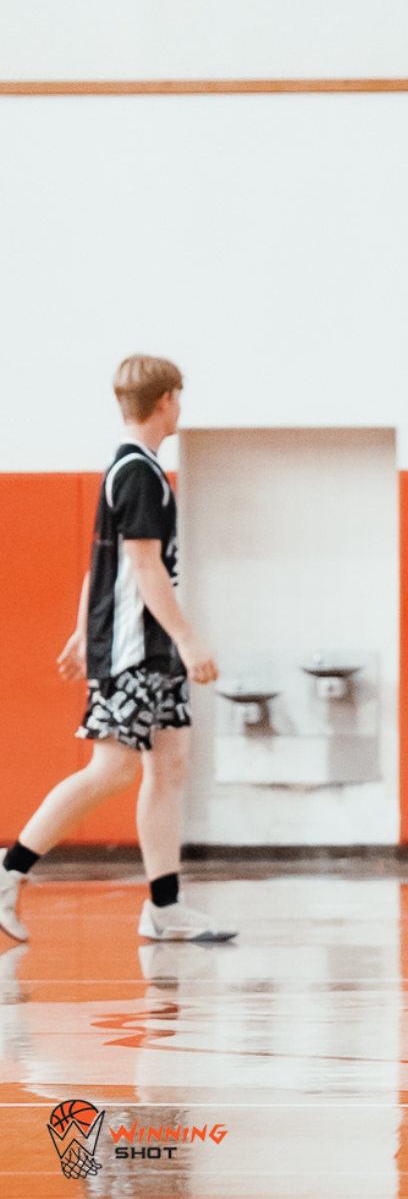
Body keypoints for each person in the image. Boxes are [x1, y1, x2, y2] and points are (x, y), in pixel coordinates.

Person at [0, 356, 235, 947]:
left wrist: (82, 631)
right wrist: (186, 637)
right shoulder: (138, 474)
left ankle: (164, 907)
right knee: (112, 769)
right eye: (179, 398)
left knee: (170, 764)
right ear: (167, 400)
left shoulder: (136, 470)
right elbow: (141, 564)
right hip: (137, 651)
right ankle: (9, 870)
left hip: (145, 651)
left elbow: (98, 566)